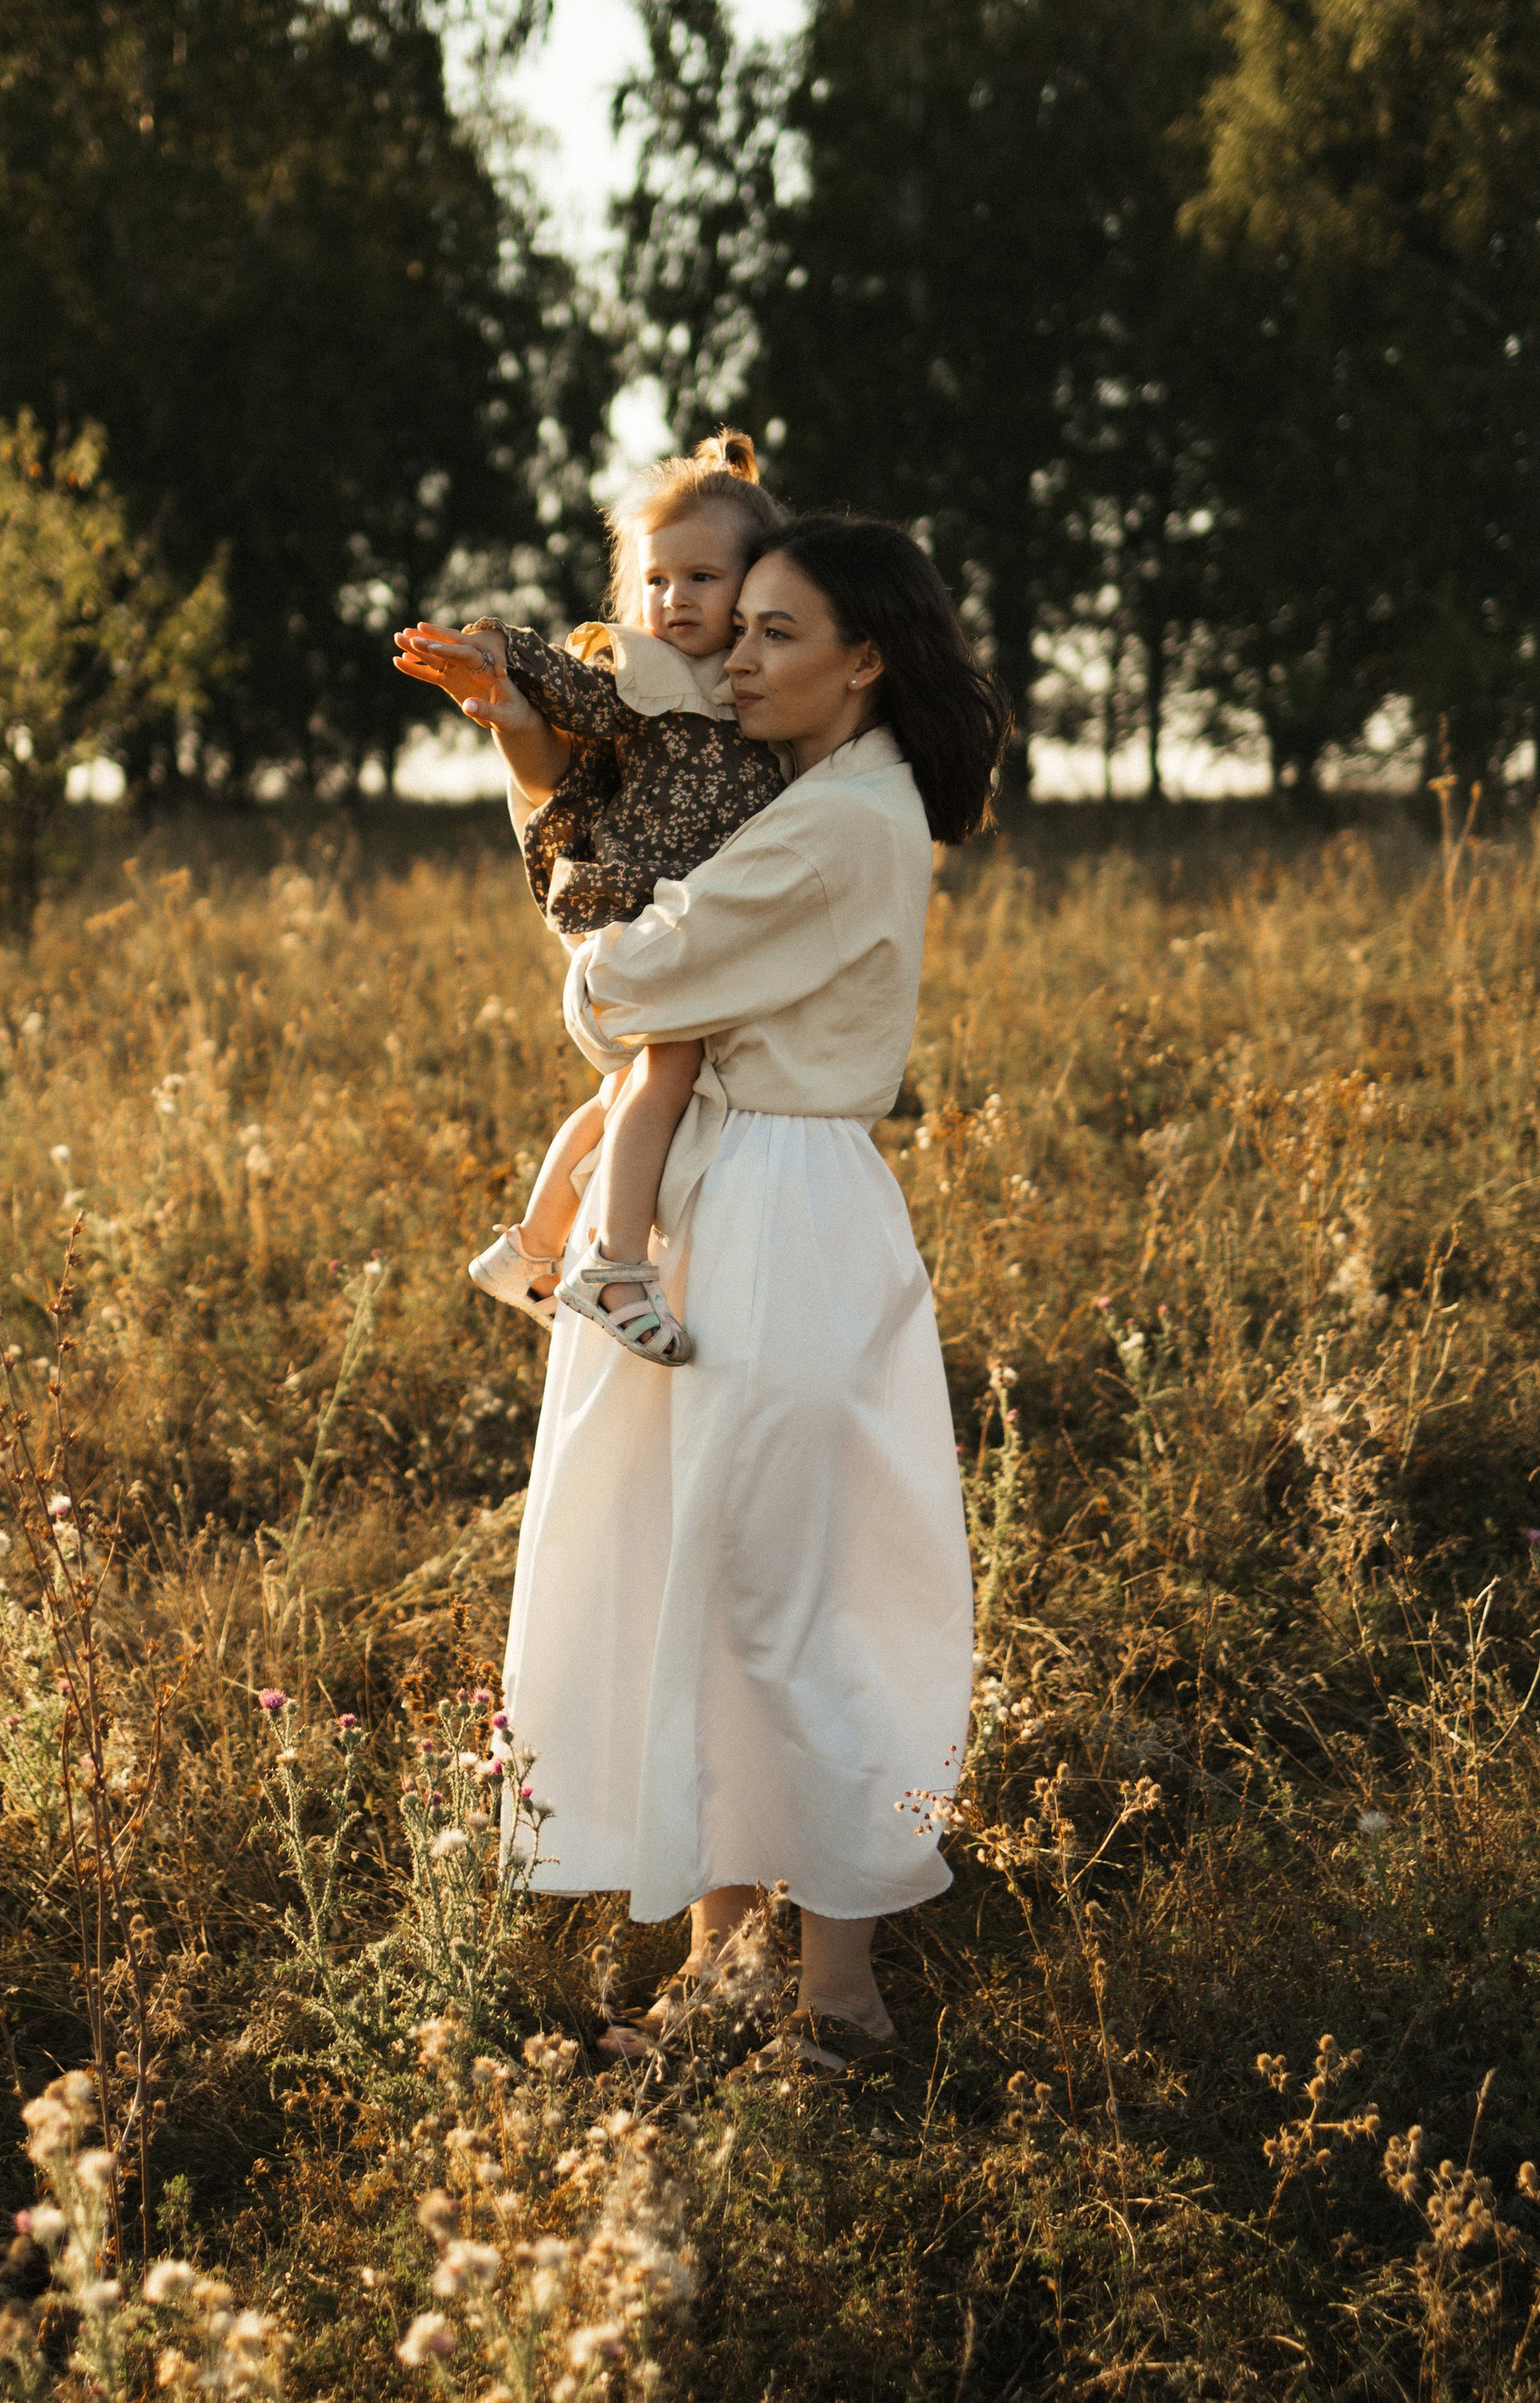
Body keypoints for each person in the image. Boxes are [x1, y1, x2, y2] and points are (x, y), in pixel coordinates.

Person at [500, 514, 1011, 2071]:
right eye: (744, 630)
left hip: (782, 1209)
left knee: (790, 1603)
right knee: (707, 1590)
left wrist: (554, 841)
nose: (738, 659)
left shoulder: (845, 822)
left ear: (868, 659)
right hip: (740, 1190)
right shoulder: (812, 791)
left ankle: (840, 2009)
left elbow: (624, 983)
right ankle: (725, 1982)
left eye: (779, 634)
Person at [393, 434, 787, 1365]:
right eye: (655, 580)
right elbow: (569, 687)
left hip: (668, 898)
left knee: (626, 1085)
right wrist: (492, 653)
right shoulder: (643, 675)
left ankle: (528, 1245)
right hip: (632, 893)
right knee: (670, 1064)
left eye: (701, 577)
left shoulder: (740, 683)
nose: (673, 599)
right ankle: (613, 1263)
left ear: (756, 584)